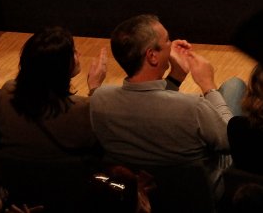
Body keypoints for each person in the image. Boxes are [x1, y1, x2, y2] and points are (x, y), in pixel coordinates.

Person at [89, 14, 244, 195]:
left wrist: (176, 76)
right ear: (152, 56)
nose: (172, 44)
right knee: (234, 85)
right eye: (167, 40)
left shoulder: (99, 99)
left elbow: (153, 106)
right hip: (198, 194)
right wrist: (208, 86)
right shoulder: (193, 107)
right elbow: (230, 141)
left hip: (144, 193)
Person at [0, 26, 105, 160]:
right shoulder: (82, 109)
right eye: (73, 52)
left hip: (13, 171)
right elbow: (99, 138)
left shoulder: (7, 92)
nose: (79, 54)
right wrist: (95, 88)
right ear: (60, 67)